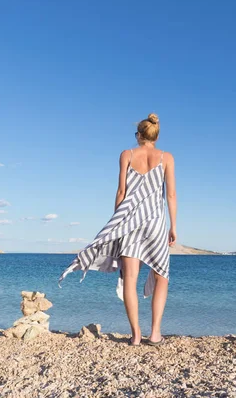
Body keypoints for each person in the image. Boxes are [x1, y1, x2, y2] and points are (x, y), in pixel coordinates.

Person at [59, 113, 177, 346]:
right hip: (155, 222)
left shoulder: (127, 155)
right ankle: (155, 334)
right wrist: (173, 226)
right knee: (161, 276)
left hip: (129, 222)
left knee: (130, 279)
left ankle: (135, 335)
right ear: (156, 135)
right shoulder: (167, 157)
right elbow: (171, 195)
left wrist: (117, 223)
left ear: (139, 135)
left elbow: (121, 192)